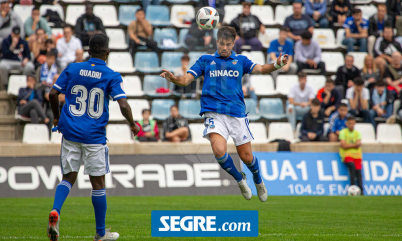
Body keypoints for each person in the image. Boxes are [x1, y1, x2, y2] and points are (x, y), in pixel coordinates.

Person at [160, 25, 289, 202]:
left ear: (234, 43)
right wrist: (173, 78)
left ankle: (258, 180)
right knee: (219, 151)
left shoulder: (241, 61)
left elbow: (261, 69)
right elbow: (186, 80)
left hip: (236, 114)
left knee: (247, 157)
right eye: (222, 44)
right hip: (214, 113)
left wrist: (278, 64)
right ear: (217, 41)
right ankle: (239, 179)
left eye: (228, 44)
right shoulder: (205, 60)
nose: (225, 48)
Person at [47, 33, 140, 241]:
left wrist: (56, 118)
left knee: (68, 178)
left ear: (89, 51)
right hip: (94, 137)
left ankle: (55, 211)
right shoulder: (111, 75)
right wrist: (132, 125)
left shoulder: (73, 68)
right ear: (107, 52)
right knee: (97, 184)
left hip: (70, 132)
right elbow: (123, 104)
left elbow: (52, 94)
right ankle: (100, 234)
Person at [339, 116, 364, 195]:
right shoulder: (343, 132)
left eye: (353, 123)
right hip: (347, 155)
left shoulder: (357, 133)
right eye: (349, 123)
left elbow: (358, 144)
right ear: (346, 124)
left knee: (359, 172)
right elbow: (343, 145)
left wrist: (349, 145)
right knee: (352, 166)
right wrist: (354, 145)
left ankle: (361, 190)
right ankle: (352, 187)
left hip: (357, 155)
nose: (351, 125)